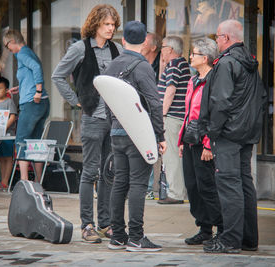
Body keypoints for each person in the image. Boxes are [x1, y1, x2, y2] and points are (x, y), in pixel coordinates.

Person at [51, 4, 122, 243]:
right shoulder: (79, 48)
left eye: (113, 25)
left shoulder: (118, 50)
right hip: (92, 118)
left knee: (108, 173)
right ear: (96, 25)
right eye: (107, 24)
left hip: (113, 120)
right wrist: (76, 101)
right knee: (90, 172)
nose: (111, 28)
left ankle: (106, 223)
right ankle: (87, 225)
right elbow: (57, 76)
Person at [201, 19, 266, 253]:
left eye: (217, 37)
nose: (216, 41)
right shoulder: (249, 62)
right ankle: (248, 239)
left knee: (229, 186)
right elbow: (261, 97)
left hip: (228, 134)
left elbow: (220, 102)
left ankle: (230, 240)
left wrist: (213, 132)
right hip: (246, 133)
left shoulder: (227, 62)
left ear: (226, 38)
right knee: (244, 184)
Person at [104, 21, 166, 252]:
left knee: (120, 183)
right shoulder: (143, 67)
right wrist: (160, 135)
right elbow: (154, 103)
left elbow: (107, 101)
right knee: (138, 184)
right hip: (138, 133)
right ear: (145, 43)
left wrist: (114, 125)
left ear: (122, 41)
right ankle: (137, 237)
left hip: (117, 132)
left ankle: (117, 236)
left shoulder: (112, 65)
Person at [177, 38, 223, 246]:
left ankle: (221, 229)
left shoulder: (213, 81)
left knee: (207, 187)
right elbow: (187, 114)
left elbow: (214, 115)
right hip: (190, 140)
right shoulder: (193, 80)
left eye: (193, 54)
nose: (190, 57)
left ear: (205, 58)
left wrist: (207, 144)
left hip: (204, 142)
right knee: (192, 186)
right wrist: (181, 140)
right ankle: (204, 228)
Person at [4, 29, 49, 183]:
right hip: (41, 102)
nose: (8, 50)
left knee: (22, 140)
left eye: (6, 45)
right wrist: (20, 87)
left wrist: (37, 90)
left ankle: (23, 181)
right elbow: (31, 73)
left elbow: (36, 67)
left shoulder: (22, 53)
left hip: (32, 102)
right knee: (35, 142)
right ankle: (38, 182)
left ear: (12, 41)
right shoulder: (28, 52)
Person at [157, 36, 190, 204]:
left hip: (171, 117)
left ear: (170, 49)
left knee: (171, 157)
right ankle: (178, 191)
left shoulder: (174, 65)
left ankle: (175, 194)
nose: (160, 50)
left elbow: (170, 90)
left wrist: (161, 115)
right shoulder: (182, 64)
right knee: (176, 156)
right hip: (179, 117)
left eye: (162, 47)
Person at [141, 32, 162, 201]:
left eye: (144, 42)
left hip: (155, 113)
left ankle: (149, 188)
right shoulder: (138, 62)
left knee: (151, 149)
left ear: (153, 47)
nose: (141, 44)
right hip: (139, 112)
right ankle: (142, 187)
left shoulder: (161, 64)